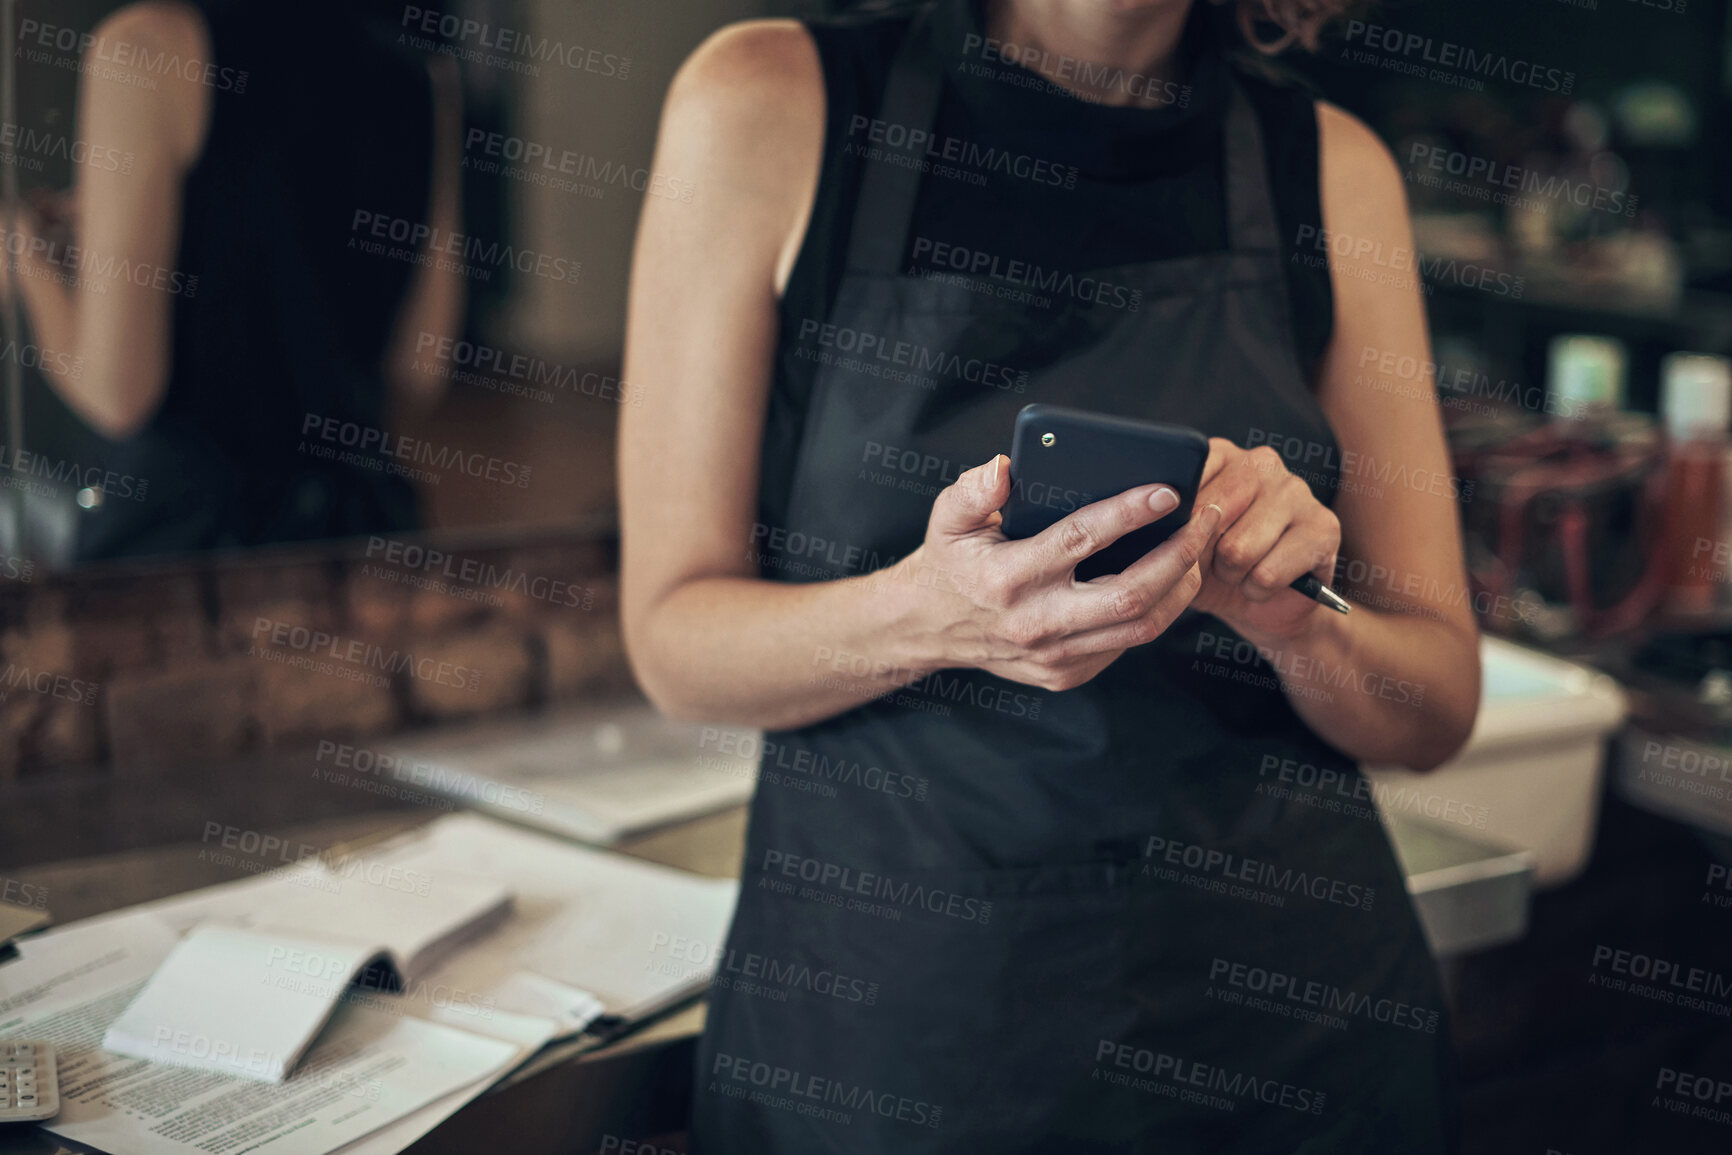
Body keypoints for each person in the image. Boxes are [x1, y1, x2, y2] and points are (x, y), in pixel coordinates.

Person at [620, 0, 1481, 1149]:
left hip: (1291, 1036)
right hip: (905, 1046)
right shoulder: (766, 102)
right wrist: (925, 618)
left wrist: (1299, 624)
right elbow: (675, 644)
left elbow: (1434, 707)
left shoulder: (1329, 168)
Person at [1, 0, 462, 561]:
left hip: (185, 563)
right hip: (363, 542)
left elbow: (119, 393)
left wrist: (24, 252)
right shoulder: (420, 68)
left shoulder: (143, 47)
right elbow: (421, 365)